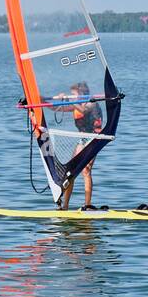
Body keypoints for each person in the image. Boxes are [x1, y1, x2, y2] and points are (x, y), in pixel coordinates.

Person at [55, 81, 103, 209]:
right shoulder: (76, 103)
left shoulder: (91, 103)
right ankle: (65, 206)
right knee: (70, 171)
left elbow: (83, 110)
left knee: (86, 170)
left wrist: (69, 100)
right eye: (72, 95)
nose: (73, 97)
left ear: (82, 94)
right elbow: (56, 108)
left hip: (94, 138)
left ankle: (87, 205)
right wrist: (43, 100)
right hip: (82, 139)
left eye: (75, 95)